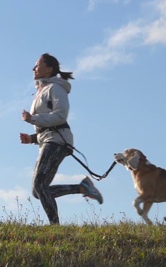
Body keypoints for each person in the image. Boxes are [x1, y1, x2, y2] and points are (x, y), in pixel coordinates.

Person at [19, 53, 103, 225]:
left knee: (39, 185)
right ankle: (82, 188)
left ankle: (55, 226)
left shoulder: (55, 89)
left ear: (49, 68)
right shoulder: (41, 90)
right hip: (49, 140)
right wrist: (32, 138)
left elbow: (60, 115)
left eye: (37, 64)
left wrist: (32, 119)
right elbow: (47, 126)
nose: (33, 68)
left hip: (57, 141)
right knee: (37, 191)